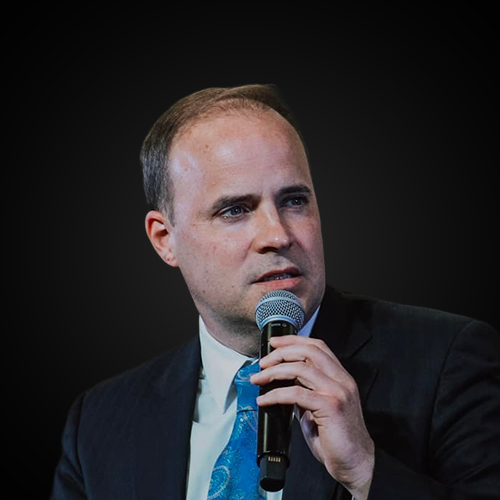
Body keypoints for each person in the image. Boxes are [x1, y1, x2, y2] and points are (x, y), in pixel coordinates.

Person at [51, 84, 500, 500]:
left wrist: (366, 471)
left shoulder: (448, 362)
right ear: (165, 239)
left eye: (294, 201)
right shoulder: (99, 423)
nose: (278, 235)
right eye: (235, 210)